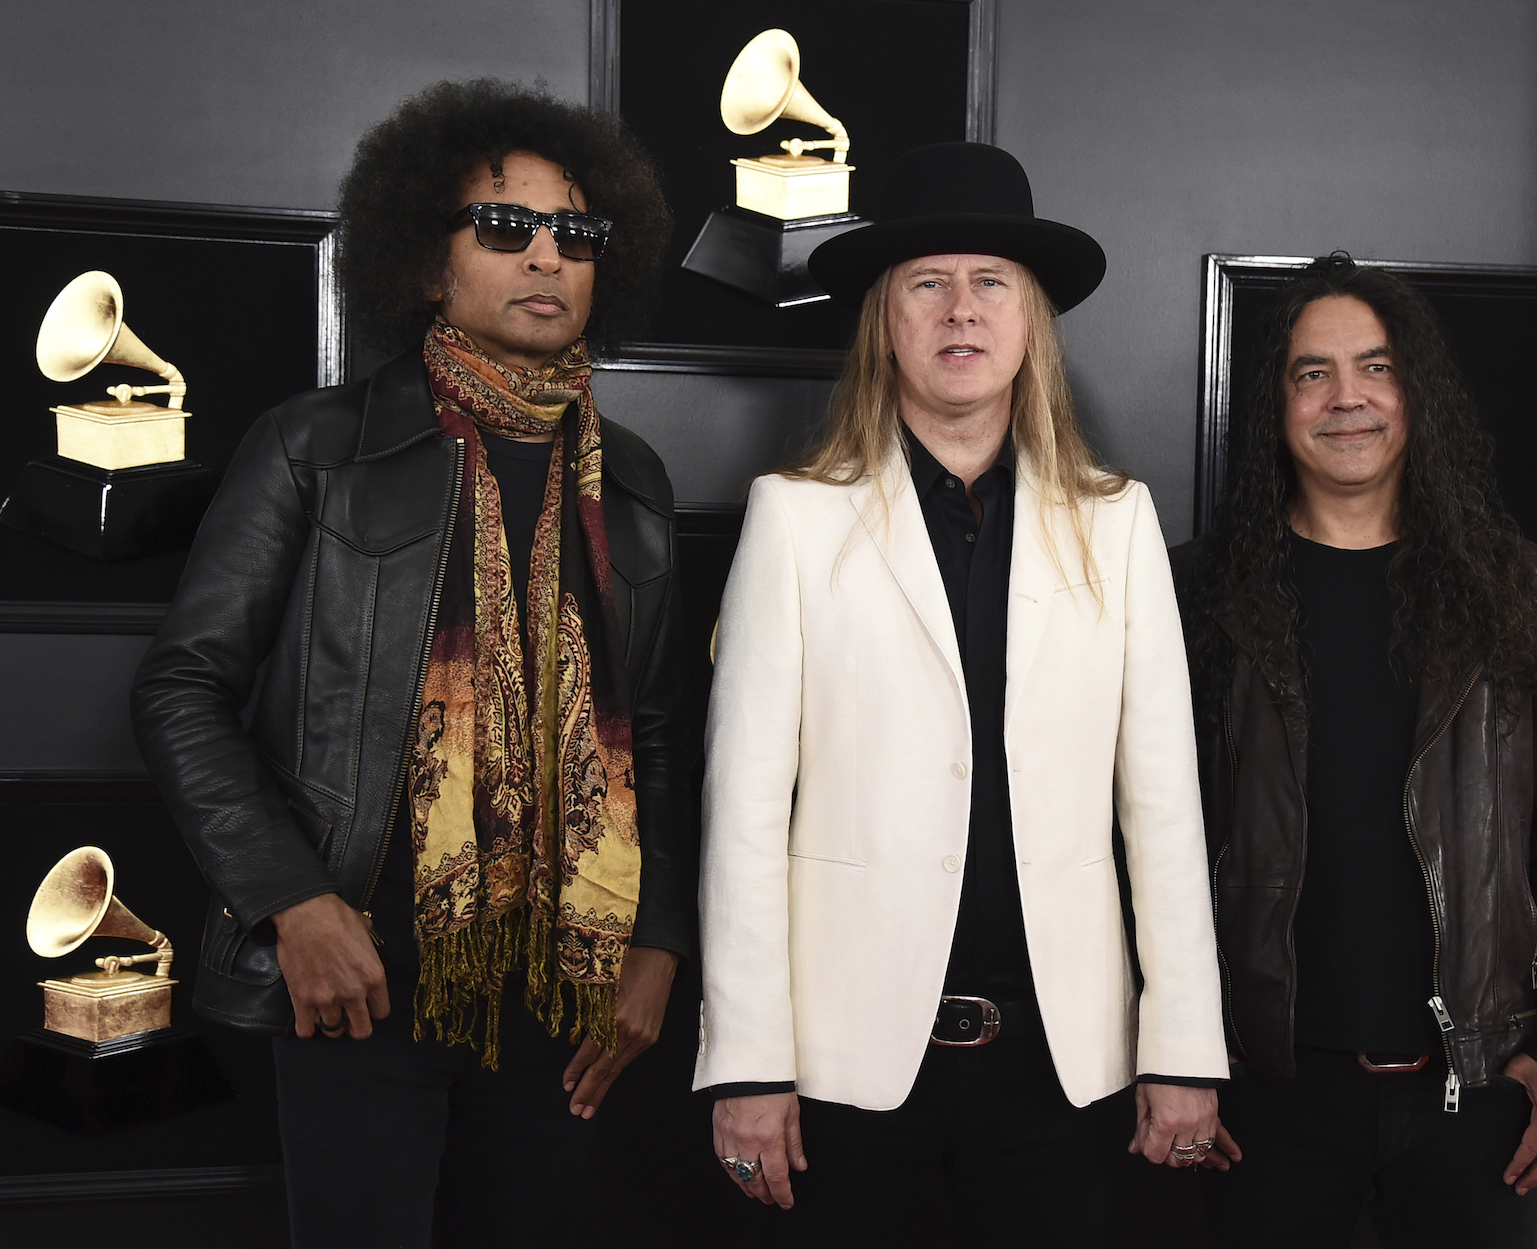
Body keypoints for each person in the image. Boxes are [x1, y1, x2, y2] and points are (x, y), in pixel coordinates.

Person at [130, 80, 693, 1247]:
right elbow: (183, 689)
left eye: (577, 234)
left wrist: (661, 940)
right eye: (505, 226)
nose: (547, 255)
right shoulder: (315, 448)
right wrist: (289, 897)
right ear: (430, 265)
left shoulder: (631, 482)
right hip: (363, 985)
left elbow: (661, 736)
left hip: (561, 997)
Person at [694, 142, 1229, 1247]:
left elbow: (1164, 810)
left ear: (1031, 321)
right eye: (926, 283)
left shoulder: (1117, 521)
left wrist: (1179, 1048)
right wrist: (748, 1060)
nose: (960, 310)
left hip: (1061, 1071)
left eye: (992, 283)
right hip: (845, 1071)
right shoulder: (794, 517)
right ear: (883, 320)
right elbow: (742, 814)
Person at [1172, 254, 1537, 1247]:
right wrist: (1172, 1056)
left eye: (1376, 368)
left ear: (1417, 393)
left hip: (1475, 1091)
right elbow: (1144, 842)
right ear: (1276, 404)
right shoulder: (1198, 596)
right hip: (1261, 1101)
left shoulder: (1516, 593)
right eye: (1311, 372)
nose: (1347, 399)